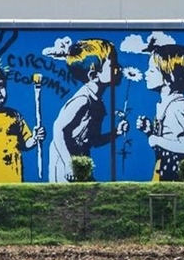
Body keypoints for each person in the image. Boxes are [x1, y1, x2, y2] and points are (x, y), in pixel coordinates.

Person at [49, 38, 128, 182]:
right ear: (93, 75)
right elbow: (58, 129)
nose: (119, 68)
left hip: (81, 159)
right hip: (65, 161)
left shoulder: (98, 104)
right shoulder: (83, 100)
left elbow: (94, 140)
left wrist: (116, 133)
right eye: (113, 65)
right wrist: (68, 163)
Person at [136, 44, 184, 181]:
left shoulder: (176, 108)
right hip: (168, 169)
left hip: (178, 174)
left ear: (169, 77)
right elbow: (169, 138)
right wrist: (149, 131)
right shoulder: (167, 105)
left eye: (151, 70)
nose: (146, 73)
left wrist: (155, 139)